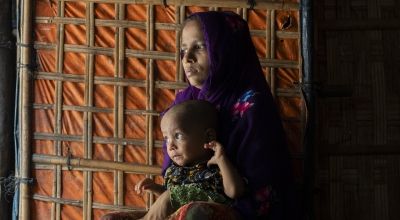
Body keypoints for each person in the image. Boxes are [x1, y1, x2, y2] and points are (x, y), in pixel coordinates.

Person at [102, 10, 294, 220]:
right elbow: (176, 173)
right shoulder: (184, 101)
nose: (187, 58)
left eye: (200, 47)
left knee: (196, 214)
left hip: (238, 211)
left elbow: (258, 188)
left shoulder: (252, 106)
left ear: (225, 49)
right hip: (184, 205)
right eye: (183, 50)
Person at [135, 100, 244, 219]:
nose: (170, 146)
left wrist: (221, 159)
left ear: (208, 137)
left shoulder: (215, 165)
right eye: (166, 138)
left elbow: (234, 192)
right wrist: (155, 188)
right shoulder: (174, 171)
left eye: (178, 136)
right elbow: (171, 204)